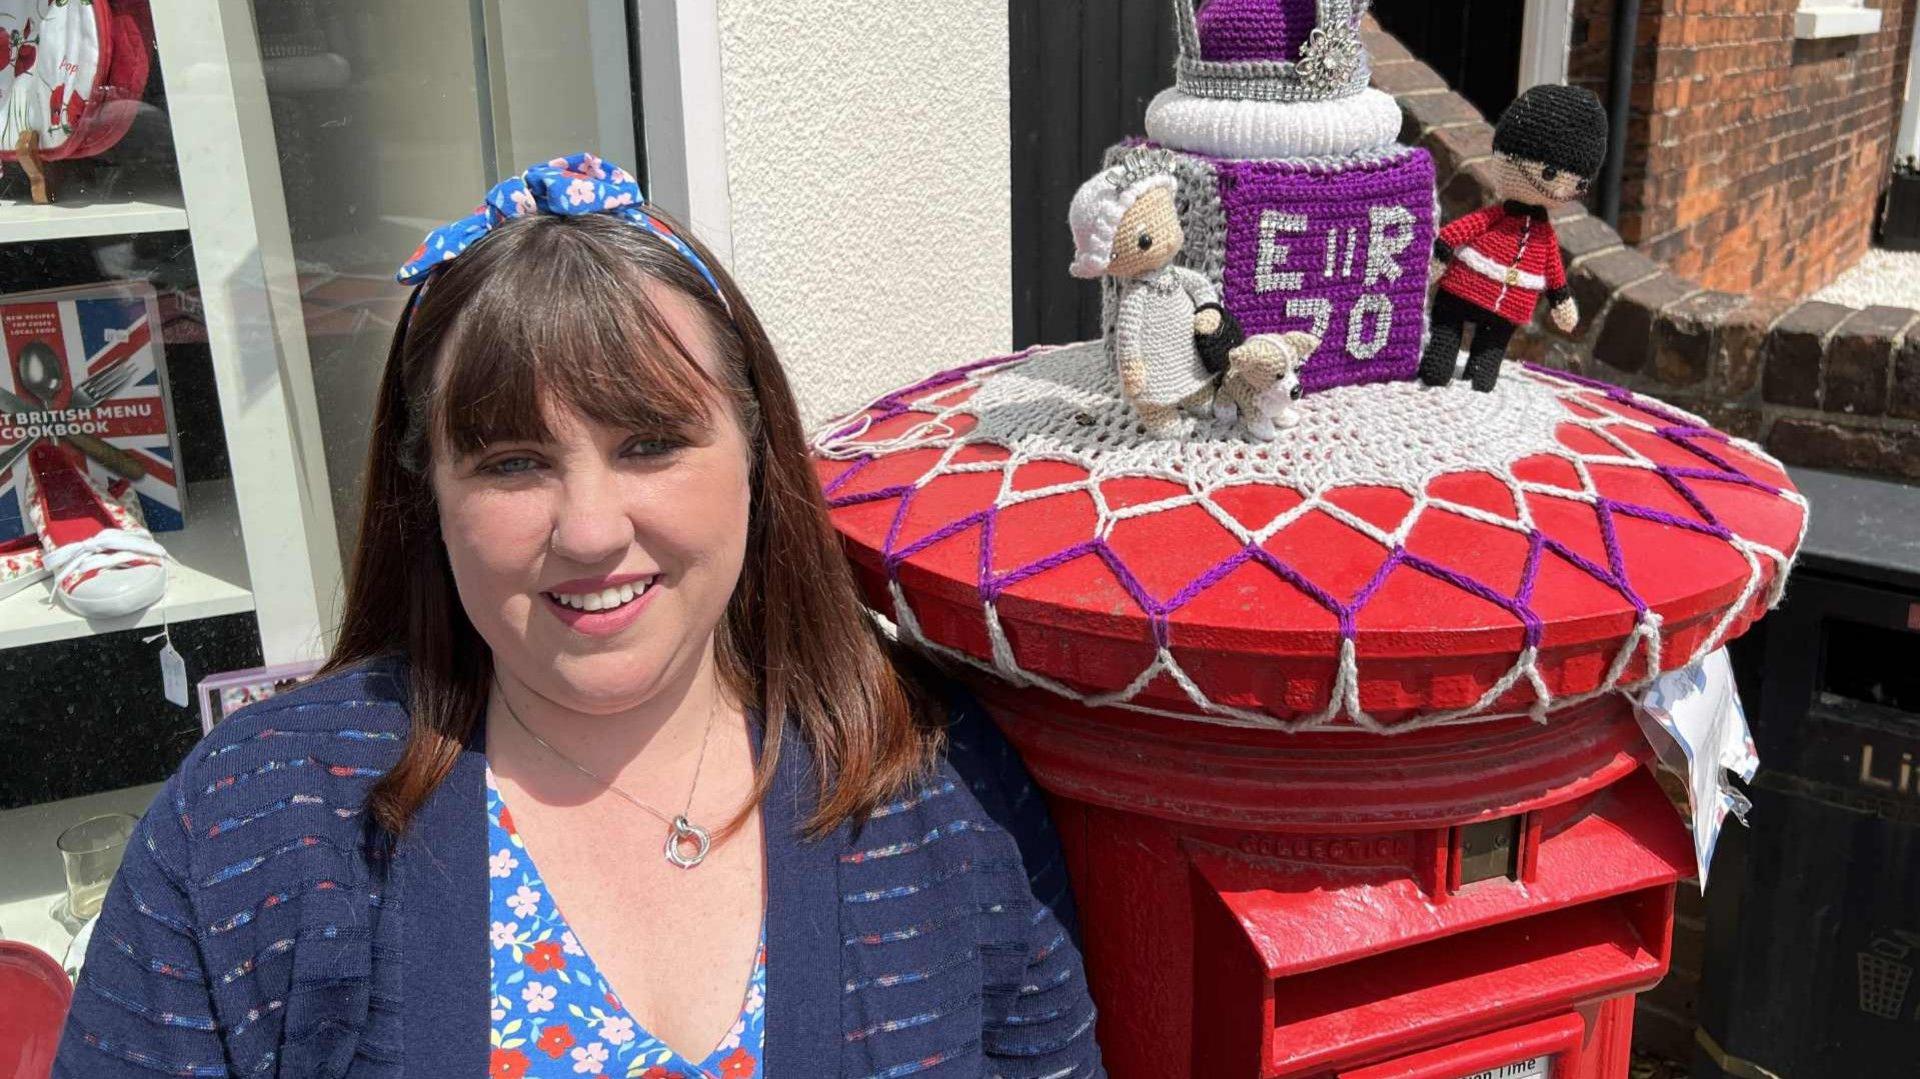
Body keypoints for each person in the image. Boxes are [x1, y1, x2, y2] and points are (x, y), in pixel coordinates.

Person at [54, 154, 1103, 1079]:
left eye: (649, 442)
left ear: (756, 453)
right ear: (433, 496)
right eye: (514, 463)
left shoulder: (936, 781)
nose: (591, 528)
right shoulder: (254, 819)